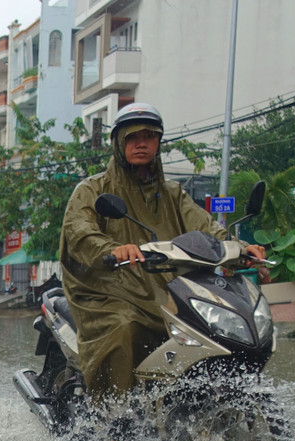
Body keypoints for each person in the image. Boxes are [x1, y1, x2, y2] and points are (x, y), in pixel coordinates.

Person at [58, 102, 267, 400]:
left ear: (158, 142)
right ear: (118, 143)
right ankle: (113, 412)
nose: (141, 143)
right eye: (132, 137)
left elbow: (206, 226)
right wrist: (114, 249)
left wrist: (241, 248)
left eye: (149, 136)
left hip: (167, 290)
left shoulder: (172, 193)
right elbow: (80, 232)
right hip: (106, 292)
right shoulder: (92, 189)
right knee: (123, 327)